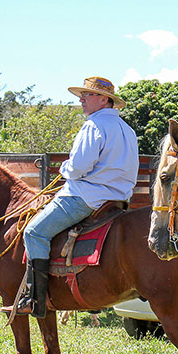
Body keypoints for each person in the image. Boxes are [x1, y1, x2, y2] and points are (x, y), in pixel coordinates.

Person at [17, 77, 139, 319]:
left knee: (34, 233)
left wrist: (65, 168)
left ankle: (36, 298)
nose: (81, 99)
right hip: (118, 200)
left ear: (104, 99)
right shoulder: (127, 130)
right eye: (81, 95)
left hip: (85, 198)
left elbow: (79, 166)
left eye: (88, 95)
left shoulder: (94, 126)